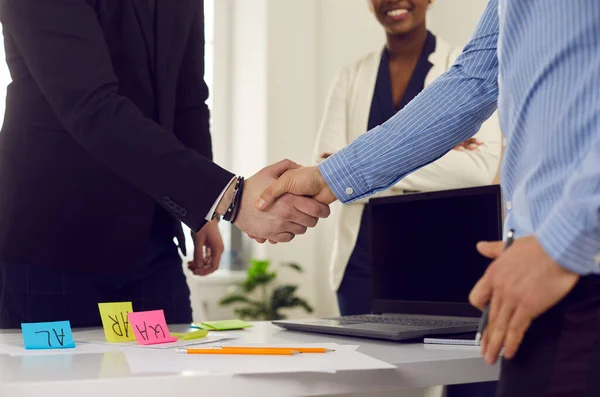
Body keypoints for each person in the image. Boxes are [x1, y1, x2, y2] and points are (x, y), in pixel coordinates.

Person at [256, 0, 600, 395]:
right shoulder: (355, 74)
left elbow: (476, 163)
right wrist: (326, 177)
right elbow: (474, 80)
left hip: (575, 261)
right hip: (529, 270)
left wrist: (560, 242)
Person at [0, 0, 328, 329]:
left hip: (151, 238)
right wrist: (229, 198)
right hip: (50, 240)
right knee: (56, 379)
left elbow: (188, 100)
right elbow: (91, 106)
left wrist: (204, 214)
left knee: (166, 377)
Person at [315, 0, 501, 317]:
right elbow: (325, 164)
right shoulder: (351, 76)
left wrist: (357, 166)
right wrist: (438, 151)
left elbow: (479, 171)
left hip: (445, 254)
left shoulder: (469, 67)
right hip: (360, 261)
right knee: (361, 362)